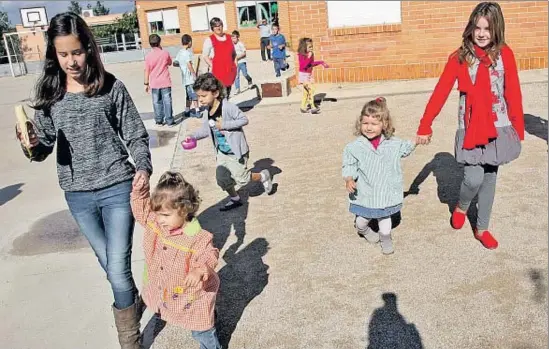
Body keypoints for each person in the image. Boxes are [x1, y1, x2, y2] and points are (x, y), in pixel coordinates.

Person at [15, 12, 151, 348]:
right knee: (110, 266)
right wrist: (32, 145)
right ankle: (132, 301)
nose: (71, 61)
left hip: (117, 186)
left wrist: (144, 168)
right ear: (54, 54)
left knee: (117, 268)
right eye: (63, 55)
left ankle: (129, 340)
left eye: (76, 52)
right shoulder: (50, 92)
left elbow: (135, 133)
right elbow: (44, 144)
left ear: (88, 48)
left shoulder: (110, 86)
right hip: (77, 195)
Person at [415, 2, 524, 249]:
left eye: (487, 28)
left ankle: (482, 227)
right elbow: (440, 91)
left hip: (499, 127)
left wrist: (517, 129)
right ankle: (462, 206)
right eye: (477, 27)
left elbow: (513, 92)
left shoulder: (505, 54)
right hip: (471, 127)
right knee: (473, 178)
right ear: (470, 28)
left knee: (490, 178)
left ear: (497, 29)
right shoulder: (460, 57)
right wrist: (425, 124)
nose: (482, 33)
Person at [131, 171, 222, 349]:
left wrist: (200, 269)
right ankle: (213, 318)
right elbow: (141, 210)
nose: (160, 220)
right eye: (158, 214)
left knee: (201, 329)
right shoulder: (156, 224)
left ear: (184, 210)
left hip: (194, 295)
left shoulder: (196, 236)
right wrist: (140, 191)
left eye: (166, 215)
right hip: (170, 288)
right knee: (162, 306)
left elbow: (210, 253)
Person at [186, 73, 273, 211]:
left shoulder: (228, 107)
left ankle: (263, 175)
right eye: (198, 96)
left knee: (243, 179)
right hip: (222, 152)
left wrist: (224, 125)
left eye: (203, 96)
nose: (200, 100)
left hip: (236, 150)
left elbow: (244, 120)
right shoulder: (207, 111)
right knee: (222, 179)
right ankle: (235, 198)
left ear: (215, 93)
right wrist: (193, 136)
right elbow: (206, 128)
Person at [342, 97, 416, 255]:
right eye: (365, 123)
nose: (369, 127)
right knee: (361, 221)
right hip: (366, 192)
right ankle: (364, 230)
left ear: (384, 124)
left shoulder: (393, 143)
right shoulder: (354, 147)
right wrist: (349, 178)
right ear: (360, 123)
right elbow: (349, 164)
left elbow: (405, 149)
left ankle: (386, 238)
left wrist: (417, 140)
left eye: (374, 124)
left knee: (384, 218)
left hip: (385, 192)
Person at [202, 17, 237, 98]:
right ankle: (219, 110)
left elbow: (234, 54)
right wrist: (212, 65)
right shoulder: (209, 40)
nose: (218, 27)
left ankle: (224, 110)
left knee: (227, 95)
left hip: (229, 71)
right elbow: (205, 55)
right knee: (220, 96)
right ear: (212, 28)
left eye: (220, 25)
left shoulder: (229, 37)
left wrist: (235, 65)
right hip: (217, 74)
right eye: (216, 26)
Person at [144, 34, 174, 126]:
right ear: (159, 42)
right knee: (167, 101)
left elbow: (146, 70)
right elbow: (170, 63)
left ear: (150, 44)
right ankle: (169, 120)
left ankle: (159, 120)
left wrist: (146, 83)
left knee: (156, 102)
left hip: (154, 83)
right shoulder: (165, 53)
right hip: (165, 81)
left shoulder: (148, 56)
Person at [297, 37, 329, 114]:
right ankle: (313, 107)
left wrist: (321, 62)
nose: (311, 48)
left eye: (312, 46)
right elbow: (303, 66)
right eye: (309, 47)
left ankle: (302, 107)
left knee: (306, 92)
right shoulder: (301, 55)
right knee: (312, 89)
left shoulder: (311, 54)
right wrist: (308, 57)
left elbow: (311, 64)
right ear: (304, 47)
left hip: (308, 75)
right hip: (303, 75)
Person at [174, 34, 200, 118]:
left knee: (188, 95)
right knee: (194, 95)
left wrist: (181, 65)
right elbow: (189, 65)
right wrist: (194, 74)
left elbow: (175, 63)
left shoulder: (180, 52)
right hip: (189, 78)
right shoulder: (187, 53)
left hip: (184, 79)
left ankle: (187, 111)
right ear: (189, 42)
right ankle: (197, 111)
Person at [231, 30, 254, 95]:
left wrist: (237, 57)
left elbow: (244, 53)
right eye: (232, 38)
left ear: (238, 37)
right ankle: (237, 89)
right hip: (235, 63)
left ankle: (249, 80)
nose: (233, 40)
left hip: (242, 62)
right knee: (236, 76)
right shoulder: (231, 45)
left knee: (245, 74)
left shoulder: (240, 44)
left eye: (234, 38)